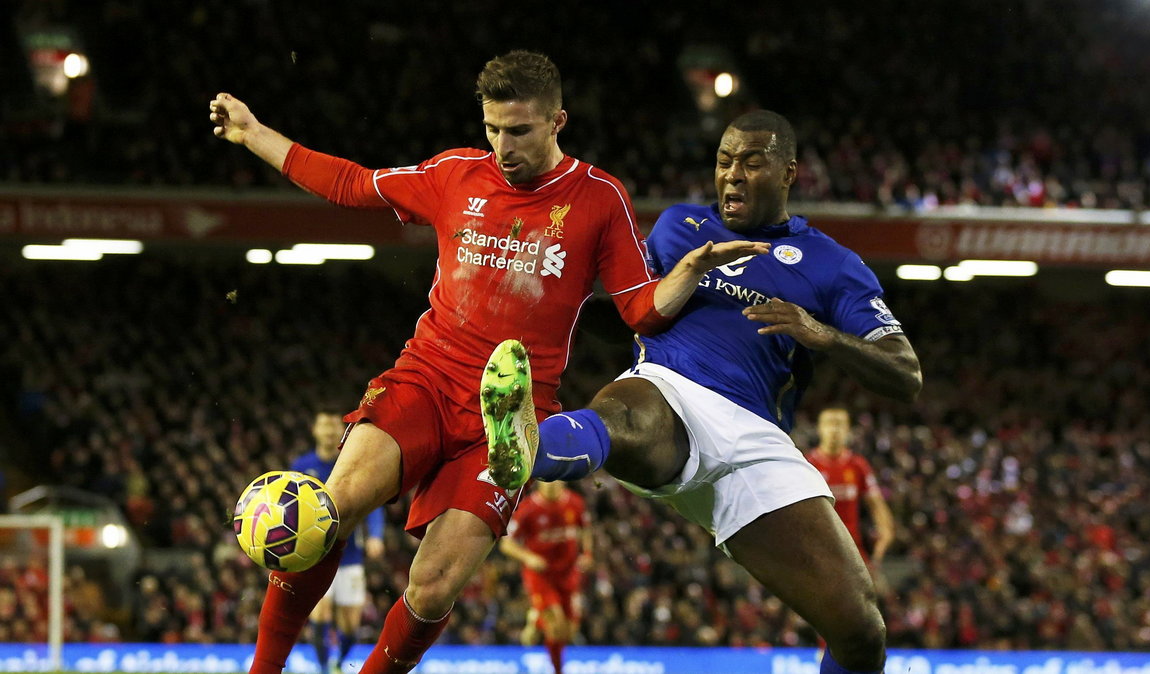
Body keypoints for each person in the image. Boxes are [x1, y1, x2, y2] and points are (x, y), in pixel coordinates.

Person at [209, 49, 766, 674]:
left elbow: (639, 309)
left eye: (520, 131)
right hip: (427, 375)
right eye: (493, 129)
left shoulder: (599, 198)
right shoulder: (455, 174)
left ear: (558, 121)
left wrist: (687, 272)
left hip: (509, 415)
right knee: (328, 511)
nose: (503, 146)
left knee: (433, 586)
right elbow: (352, 184)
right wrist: (254, 133)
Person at [482, 110, 922, 674]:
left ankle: (537, 443)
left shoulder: (833, 265)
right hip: (669, 388)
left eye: (751, 163)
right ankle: (528, 445)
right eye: (723, 161)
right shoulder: (678, 228)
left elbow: (905, 374)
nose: (732, 175)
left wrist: (824, 336)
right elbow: (626, 308)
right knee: (628, 409)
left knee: (860, 630)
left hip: (757, 442)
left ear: (789, 172)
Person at [291, 409, 386, 674]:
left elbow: (373, 503)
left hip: (350, 556)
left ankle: (338, 664)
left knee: (351, 627)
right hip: (314, 554)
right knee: (320, 613)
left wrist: (375, 536)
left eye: (334, 425)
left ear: (342, 430)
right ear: (315, 430)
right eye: (324, 424)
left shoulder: (350, 463)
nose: (329, 430)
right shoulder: (301, 466)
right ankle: (323, 669)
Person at [499, 481, 591, 674]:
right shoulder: (528, 509)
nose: (552, 485)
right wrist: (528, 557)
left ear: (564, 481)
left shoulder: (575, 503)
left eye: (556, 481)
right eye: (547, 481)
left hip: (568, 574)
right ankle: (558, 670)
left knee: (570, 631)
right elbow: (506, 545)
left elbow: (586, 529)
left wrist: (587, 553)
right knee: (556, 626)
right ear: (539, 483)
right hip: (541, 576)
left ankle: (536, 619)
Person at [804, 406, 895, 569]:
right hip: (817, 551)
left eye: (839, 424)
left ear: (847, 430)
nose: (834, 429)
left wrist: (885, 532)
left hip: (852, 550)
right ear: (819, 429)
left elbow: (877, 505)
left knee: (878, 592)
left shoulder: (857, 465)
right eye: (829, 424)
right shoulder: (808, 465)